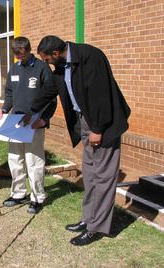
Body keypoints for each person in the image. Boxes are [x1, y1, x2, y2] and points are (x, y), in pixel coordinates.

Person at [22, 35, 131, 245]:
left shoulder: (91, 57)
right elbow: (50, 90)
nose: (46, 63)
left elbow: (102, 96)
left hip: (103, 124)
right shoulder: (63, 66)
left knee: (103, 177)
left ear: (56, 53)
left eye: (47, 59)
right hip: (86, 122)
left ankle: (96, 228)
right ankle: (88, 219)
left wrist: (98, 129)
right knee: (90, 174)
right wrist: (33, 111)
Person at [0, 37, 57, 214]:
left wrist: (44, 119)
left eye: (22, 56)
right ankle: (18, 193)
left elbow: (52, 97)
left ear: (29, 50)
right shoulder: (14, 69)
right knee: (14, 159)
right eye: (17, 57)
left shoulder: (42, 68)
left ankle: (38, 197)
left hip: (34, 122)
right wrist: (4, 109)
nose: (20, 60)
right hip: (16, 122)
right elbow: (9, 93)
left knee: (34, 161)